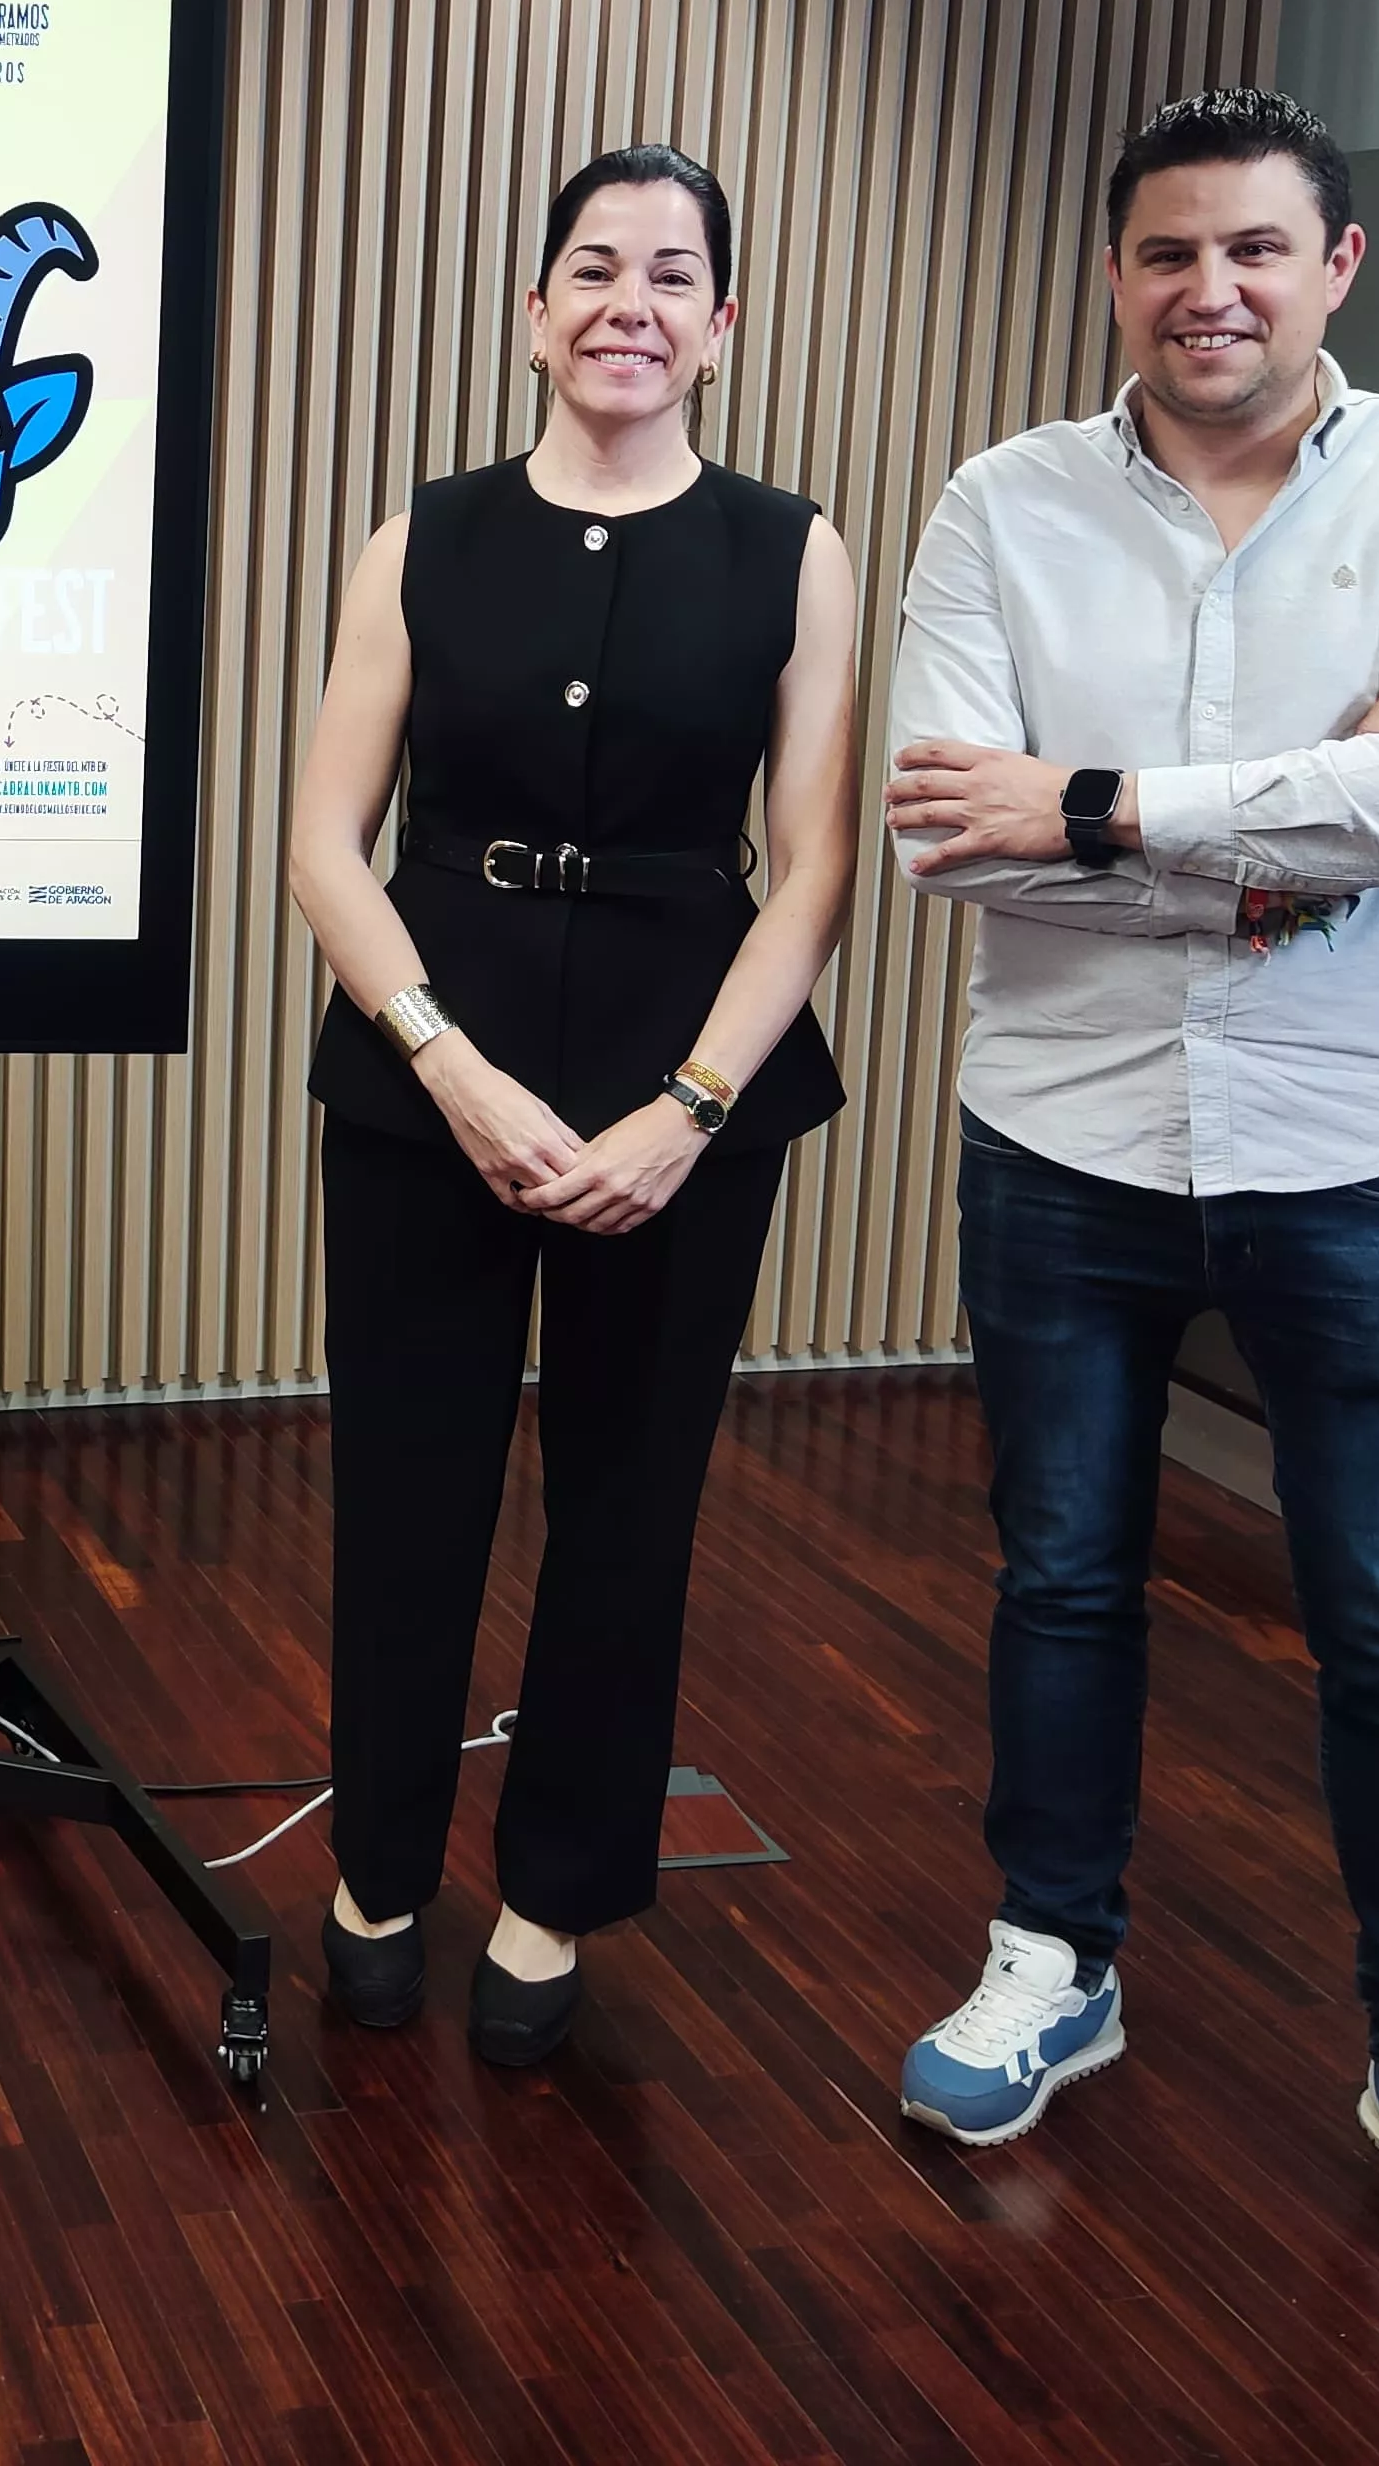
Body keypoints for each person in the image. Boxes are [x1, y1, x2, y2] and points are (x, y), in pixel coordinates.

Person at [881, 87, 1379, 2293]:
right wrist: (1309, 832)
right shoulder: (1001, 502)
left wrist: (1093, 807)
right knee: (1062, 1577)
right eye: (1169, 253)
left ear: (1333, 266)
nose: (1212, 291)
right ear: (1113, 274)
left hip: (1357, 1150)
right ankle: (1050, 1956)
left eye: (1256, 249)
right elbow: (943, 835)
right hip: (1061, 1134)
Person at [289, 145, 859, 2068]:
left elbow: (815, 867)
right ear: (535, 313)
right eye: (595, 269)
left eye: (673, 275)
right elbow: (323, 842)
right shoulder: (424, 538)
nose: (632, 304)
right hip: (426, 1074)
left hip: (684, 1081)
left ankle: (553, 1898)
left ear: (722, 325)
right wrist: (444, 1062)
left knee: (631, 1502)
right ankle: (379, 1873)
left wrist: (694, 1105)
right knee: (409, 1485)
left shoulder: (790, 551)